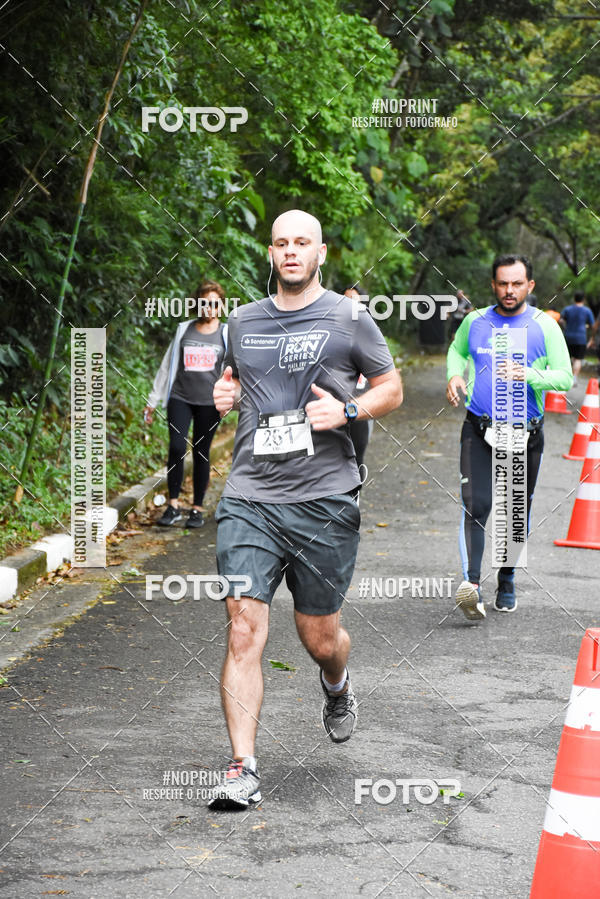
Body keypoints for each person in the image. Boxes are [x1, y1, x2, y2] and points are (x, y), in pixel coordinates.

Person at [207, 209, 402, 810]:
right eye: (281, 243)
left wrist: (348, 411)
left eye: (302, 242)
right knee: (244, 629)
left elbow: (391, 388)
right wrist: (224, 395)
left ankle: (336, 682)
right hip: (250, 497)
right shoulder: (242, 321)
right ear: (270, 253)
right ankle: (242, 767)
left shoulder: (350, 318)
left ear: (320, 252)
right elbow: (234, 384)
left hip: (323, 499)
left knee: (320, 637)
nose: (291, 251)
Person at [446, 254, 571, 619]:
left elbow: (565, 377)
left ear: (530, 285)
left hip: (523, 434)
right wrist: (454, 375)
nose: (509, 290)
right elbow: (456, 350)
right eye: (502, 283)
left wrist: (528, 374)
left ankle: (507, 578)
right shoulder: (475, 321)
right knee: (477, 504)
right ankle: (472, 586)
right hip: (478, 428)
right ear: (493, 285)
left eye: (517, 284)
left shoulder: (545, 327)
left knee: (514, 513)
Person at [143, 280, 227, 528]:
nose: (209, 308)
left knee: (201, 452)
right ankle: (173, 505)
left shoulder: (226, 334)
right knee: (177, 448)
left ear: (221, 306)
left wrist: (231, 401)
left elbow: (234, 370)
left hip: (209, 403)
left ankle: (197, 508)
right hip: (180, 397)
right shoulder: (184, 330)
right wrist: (153, 400)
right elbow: (166, 366)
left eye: (214, 304)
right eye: (205, 303)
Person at [343, 284, 372, 484]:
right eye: (345, 300)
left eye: (354, 301)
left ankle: (355, 493)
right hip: (334, 402)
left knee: (357, 453)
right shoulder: (329, 328)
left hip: (359, 403)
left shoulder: (369, 332)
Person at [559, 291, 595, 385]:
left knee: (567, 358)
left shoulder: (567, 309)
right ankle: (574, 378)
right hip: (581, 338)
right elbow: (593, 325)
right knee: (578, 359)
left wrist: (565, 327)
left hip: (568, 337)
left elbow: (561, 320)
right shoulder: (587, 311)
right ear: (583, 299)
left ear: (574, 298)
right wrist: (592, 338)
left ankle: (565, 377)